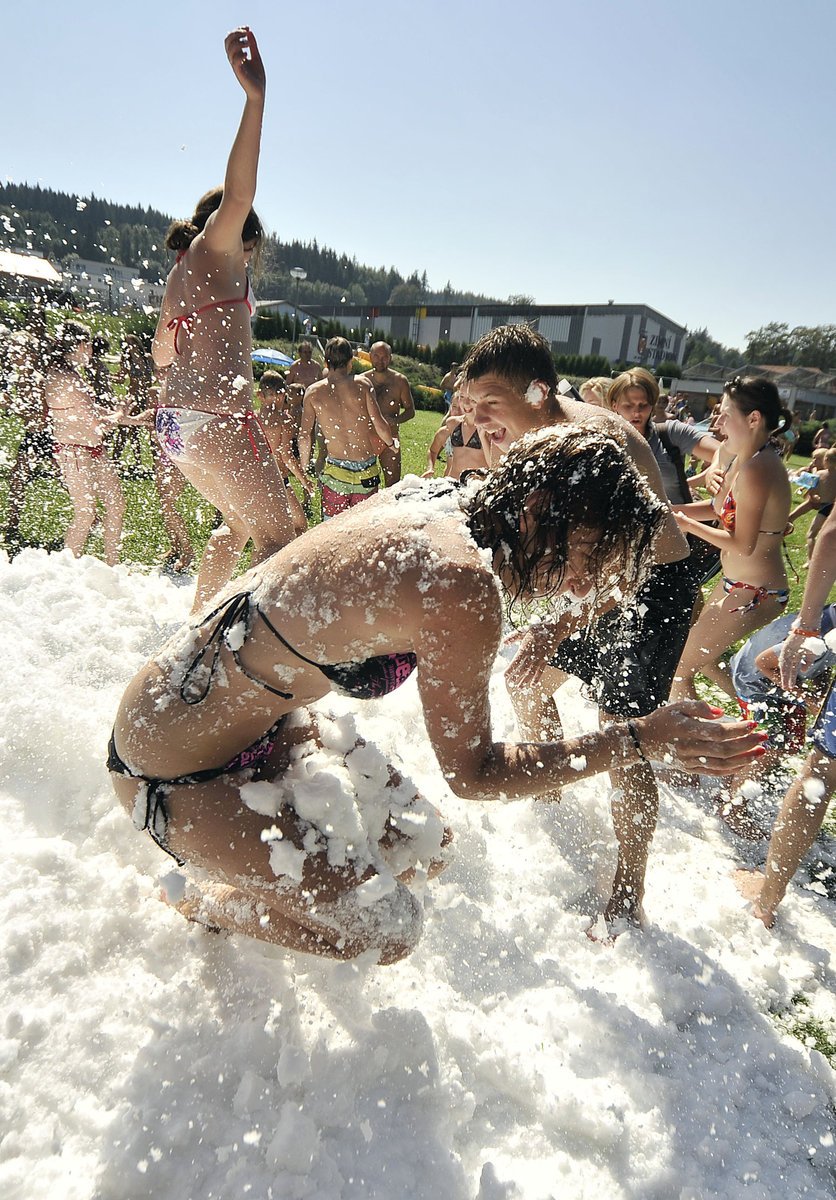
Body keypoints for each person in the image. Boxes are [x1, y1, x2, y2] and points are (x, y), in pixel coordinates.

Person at [109, 426, 764, 963]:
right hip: (170, 767)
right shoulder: (462, 585)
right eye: (582, 560)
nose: (578, 583)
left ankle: (287, 889)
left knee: (427, 845)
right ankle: (204, 903)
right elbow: (475, 774)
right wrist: (637, 738)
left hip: (245, 720)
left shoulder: (444, 498)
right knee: (388, 932)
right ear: (537, 510)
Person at [459, 324, 699, 932]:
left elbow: (652, 550)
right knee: (525, 685)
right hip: (593, 587)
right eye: (469, 399)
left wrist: (559, 621)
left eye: (488, 400)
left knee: (625, 733)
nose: (474, 413)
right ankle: (552, 795)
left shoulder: (594, 441)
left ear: (537, 391)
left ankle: (629, 887)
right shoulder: (507, 437)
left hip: (653, 589)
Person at [152, 28, 297, 611]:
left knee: (235, 529)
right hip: (212, 419)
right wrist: (254, 101)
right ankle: (241, 679)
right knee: (280, 541)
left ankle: (195, 633)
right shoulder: (218, 245)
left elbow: (162, 354)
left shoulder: (181, 270)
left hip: (177, 425)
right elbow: (239, 193)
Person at [735, 505, 836, 928]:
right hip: (767, 681)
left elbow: (832, 534)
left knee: (821, 774)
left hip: (782, 676)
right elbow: (764, 664)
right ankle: (737, 802)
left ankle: (767, 899)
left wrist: (807, 628)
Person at [671, 376, 793, 706]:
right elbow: (715, 508)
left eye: (725, 413)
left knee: (680, 668)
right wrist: (670, 509)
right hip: (737, 585)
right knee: (704, 660)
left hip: (757, 592)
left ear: (754, 419)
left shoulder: (758, 468)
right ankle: (758, 718)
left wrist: (685, 524)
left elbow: (742, 544)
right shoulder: (745, 458)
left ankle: (693, 751)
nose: (718, 421)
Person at [43, 321, 127, 566]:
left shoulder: (62, 374)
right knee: (86, 513)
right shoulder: (69, 379)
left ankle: (113, 564)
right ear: (81, 345)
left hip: (88, 451)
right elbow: (97, 425)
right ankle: (67, 570)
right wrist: (120, 416)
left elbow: (89, 409)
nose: (91, 351)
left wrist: (130, 419)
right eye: (89, 345)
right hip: (77, 453)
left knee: (115, 504)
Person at [298, 337, 394, 519]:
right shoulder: (363, 384)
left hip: (336, 472)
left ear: (326, 362)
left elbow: (304, 437)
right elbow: (380, 423)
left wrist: (304, 468)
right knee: (364, 527)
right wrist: (391, 443)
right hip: (366, 471)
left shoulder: (313, 392)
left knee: (331, 529)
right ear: (351, 362)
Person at [1, 329, 53, 553]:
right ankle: (12, 520)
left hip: (45, 436)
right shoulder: (18, 380)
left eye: (18, 351)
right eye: (12, 351)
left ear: (30, 355)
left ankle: (94, 517)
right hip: (32, 437)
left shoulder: (37, 380)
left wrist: (13, 406)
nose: (13, 355)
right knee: (17, 477)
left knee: (66, 480)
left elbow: (42, 415)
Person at [256, 370, 313, 535]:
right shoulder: (284, 420)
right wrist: (304, 480)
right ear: (282, 396)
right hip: (279, 481)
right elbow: (286, 456)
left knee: (263, 533)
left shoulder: (252, 419)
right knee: (300, 526)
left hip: (255, 481)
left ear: (259, 395)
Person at [361, 341, 415, 486]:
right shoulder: (362, 380)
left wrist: (395, 420)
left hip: (390, 438)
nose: (380, 360)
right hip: (367, 438)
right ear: (370, 356)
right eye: (376, 356)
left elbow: (410, 411)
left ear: (390, 358)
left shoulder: (400, 381)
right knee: (366, 485)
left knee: (393, 484)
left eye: (384, 357)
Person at [422, 389, 488, 481]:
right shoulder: (452, 425)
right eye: (454, 406)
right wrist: (430, 468)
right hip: (452, 483)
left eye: (471, 399)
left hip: (475, 486)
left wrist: (484, 477)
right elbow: (432, 450)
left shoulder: (488, 429)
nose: (466, 403)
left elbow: (497, 463)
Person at [789, 446, 836, 562]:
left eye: (817, 459)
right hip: (832, 507)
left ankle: (812, 562)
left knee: (811, 535)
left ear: (825, 460)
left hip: (825, 507)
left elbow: (811, 490)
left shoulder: (820, 474)